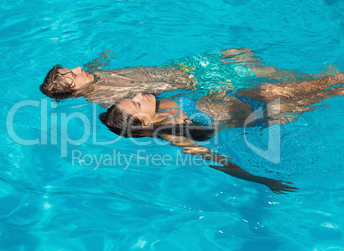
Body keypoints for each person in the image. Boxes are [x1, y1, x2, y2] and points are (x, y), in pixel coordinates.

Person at [99, 72, 344, 194]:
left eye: (133, 97)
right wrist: (265, 180)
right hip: (260, 114)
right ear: (143, 122)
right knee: (328, 93)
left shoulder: (158, 102)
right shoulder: (173, 134)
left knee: (322, 81)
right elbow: (218, 161)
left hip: (249, 94)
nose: (139, 95)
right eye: (137, 103)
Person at [39, 48, 331, 107]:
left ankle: (320, 81)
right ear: (76, 92)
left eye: (72, 68)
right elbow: (153, 103)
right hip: (195, 82)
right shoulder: (106, 99)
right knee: (257, 73)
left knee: (242, 52)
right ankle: (325, 80)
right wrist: (207, 94)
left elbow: (88, 66)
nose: (79, 68)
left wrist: (103, 58)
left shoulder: (91, 75)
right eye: (73, 75)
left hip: (183, 66)